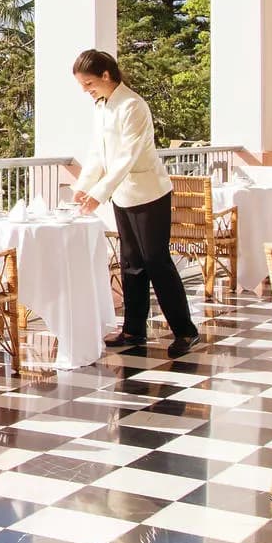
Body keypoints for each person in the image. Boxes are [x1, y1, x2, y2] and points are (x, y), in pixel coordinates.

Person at [70, 49, 200, 358]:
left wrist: (99, 194)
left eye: (89, 84)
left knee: (157, 262)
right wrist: (83, 187)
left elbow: (127, 157)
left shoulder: (133, 106)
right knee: (131, 263)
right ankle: (133, 329)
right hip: (122, 194)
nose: (86, 91)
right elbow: (98, 155)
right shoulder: (102, 107)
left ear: (106, 75)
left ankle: (186, 331)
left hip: (149, 193)